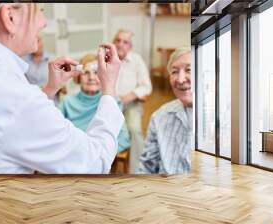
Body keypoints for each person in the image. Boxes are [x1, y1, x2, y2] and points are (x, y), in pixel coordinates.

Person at [0, 3, 124, 174]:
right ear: (10, 17)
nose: (44, 22)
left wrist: (49, 89)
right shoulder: (16, 96)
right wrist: (110, 88)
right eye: (40, 11)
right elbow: (94, 163)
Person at [137, 47, 192, 175]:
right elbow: (146, 167)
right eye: (174, 72)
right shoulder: (160, 117)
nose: (180, 79)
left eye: (189, 70)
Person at [60, 54, 131, 153]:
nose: (91, 77)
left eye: (96, 72)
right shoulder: (67, 102)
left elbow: (124, 138)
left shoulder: (111, 101)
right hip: (73, 154)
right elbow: (57, 133)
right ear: (78, 77)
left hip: (99, 158)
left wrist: (100, 154)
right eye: (86, 73)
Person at [113, 29, 152, 173]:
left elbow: (146, 87)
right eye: (117, 40)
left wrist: (130, 96)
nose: (120, 44)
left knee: (134, 130)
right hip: (109, 104)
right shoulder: (106, 58)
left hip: (131, 104)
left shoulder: (137, 60)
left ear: (130, 46)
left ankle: (137, 170)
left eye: (125, 42)